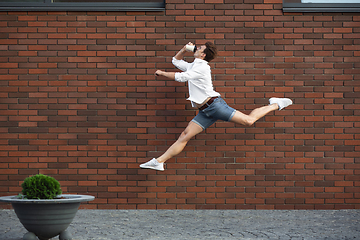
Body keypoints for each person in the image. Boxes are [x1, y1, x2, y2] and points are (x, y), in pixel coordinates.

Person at [140, 42, 293, 171]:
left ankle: (275, 104)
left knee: (248, 121)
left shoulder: (202, 67)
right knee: (184, 136)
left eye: (199, 48)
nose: (196, 48)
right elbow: (176, 61)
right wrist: (183, 49)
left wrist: (162, 73)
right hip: (205, 111)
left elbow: (181, 77)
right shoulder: (194, 65)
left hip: (215, 106)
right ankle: (159, 162)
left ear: (203, 55)